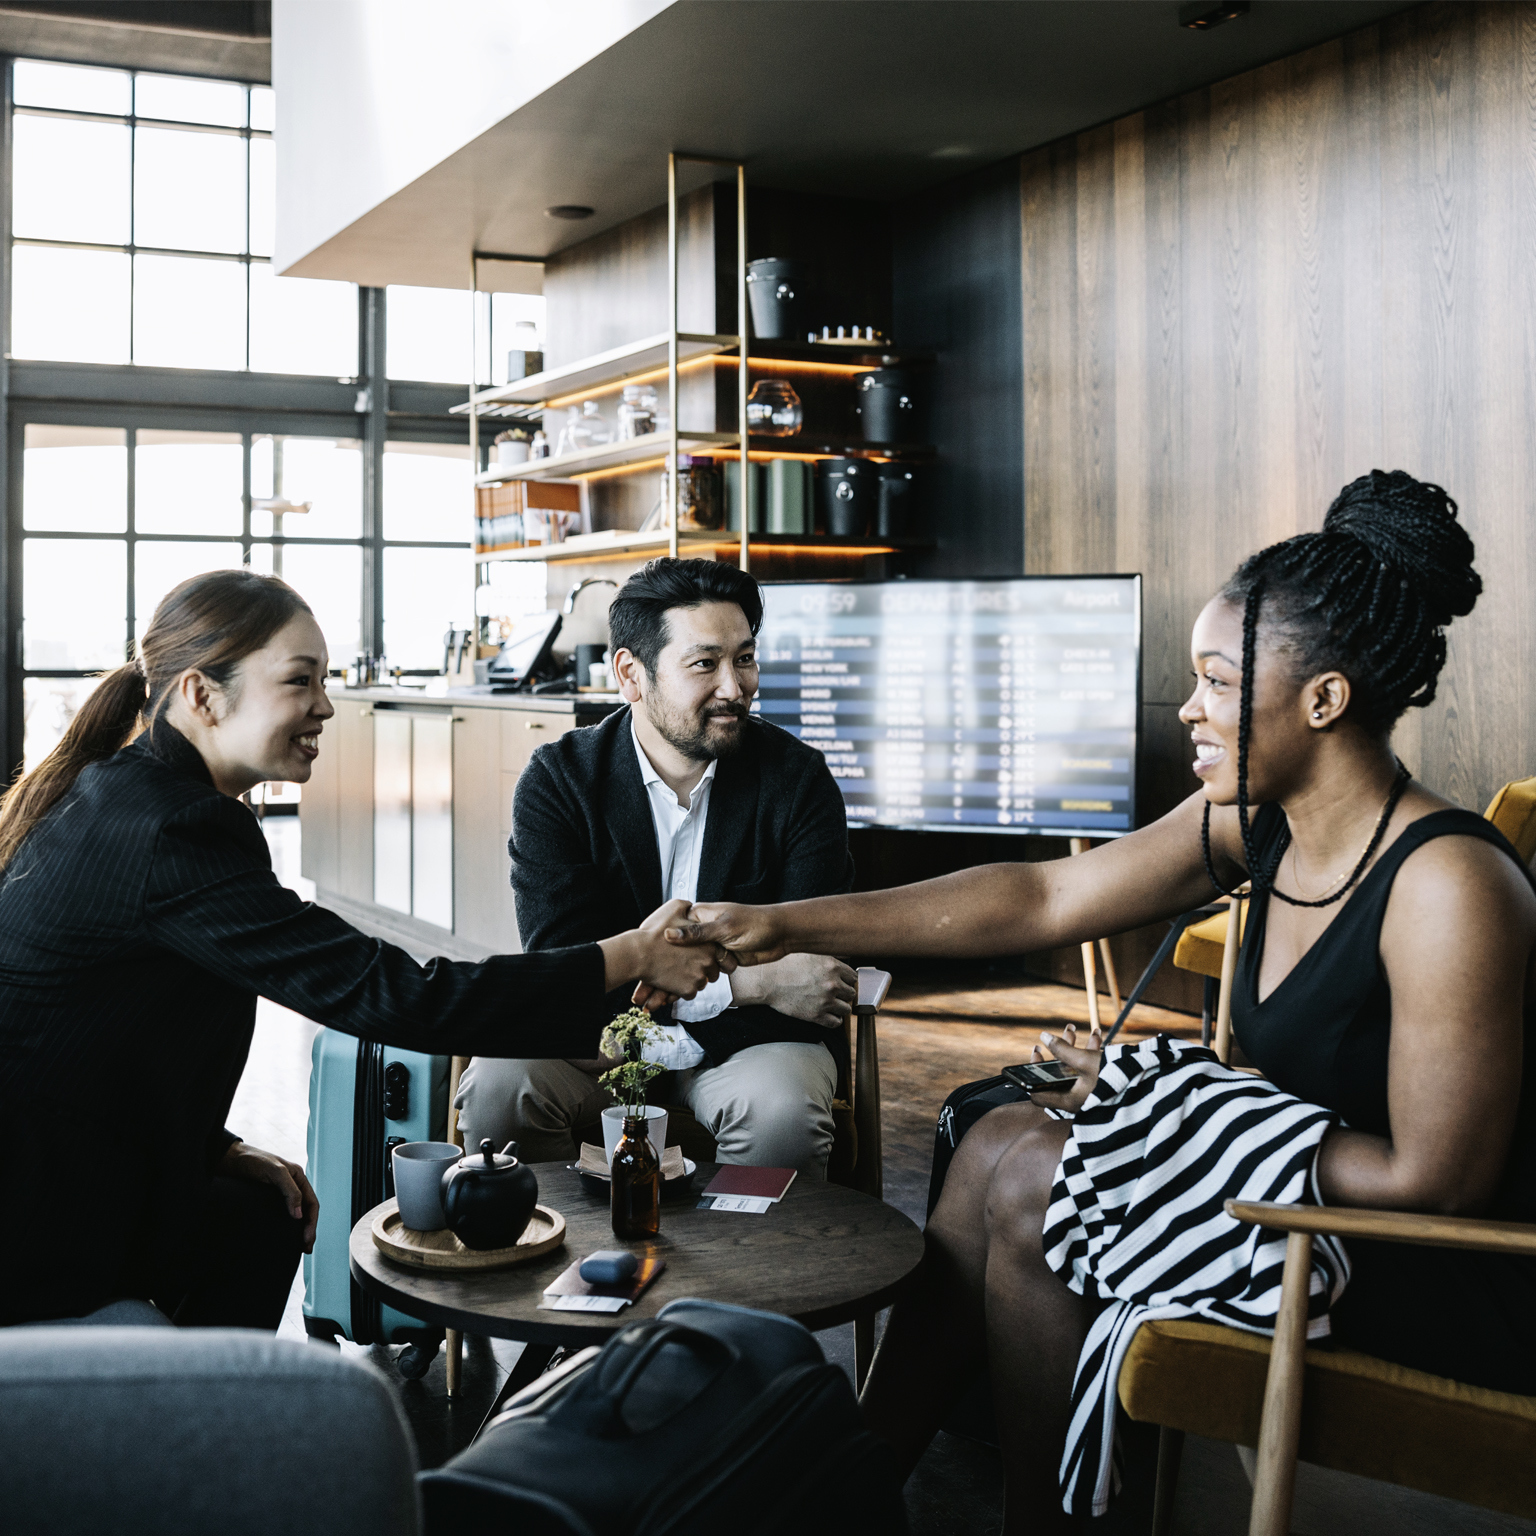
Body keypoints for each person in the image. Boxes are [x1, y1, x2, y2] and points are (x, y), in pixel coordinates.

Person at [670, 471, 1536, 1531]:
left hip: (1422, 1276)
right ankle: (852, 1489)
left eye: (1218, 683)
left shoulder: (1448, 884)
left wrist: (1170, 1101)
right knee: (995, 1136)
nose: (1190, 710)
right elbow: (1045, 893)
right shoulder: (1262, 825)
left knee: (1042, 1173)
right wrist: (787, 921)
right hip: (1300, 1214)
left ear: (1324, 700)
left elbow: (1435, 1185)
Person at [0, 570, 724, 1329]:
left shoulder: (121, 792)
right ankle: (190, 1410)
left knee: (262, 1211)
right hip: (38, 1217)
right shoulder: (175, 830)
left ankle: (205, 1409)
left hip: (58, 1161)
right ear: (200, 695)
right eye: (299, 681)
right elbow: (397, 996)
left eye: (326, 679)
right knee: (255, 1221)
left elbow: (85, 1037)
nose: (324, 704)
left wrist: (215, 1149)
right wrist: (630, 956)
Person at [455, 558, 857, 1174]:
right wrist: (752, 984)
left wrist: (662, 1024)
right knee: (500, 1088)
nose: (736, 686)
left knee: (779, 1108)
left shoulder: (798, 779)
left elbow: (811, 972)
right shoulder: (558, 780)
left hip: (746, 1049)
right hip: (602, 1044)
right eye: (705, 664)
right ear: (631, 675)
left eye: (744, 658)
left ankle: (750, 1272)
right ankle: (558, 1262)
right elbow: (568, 964)